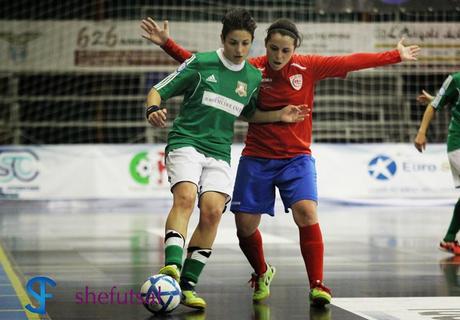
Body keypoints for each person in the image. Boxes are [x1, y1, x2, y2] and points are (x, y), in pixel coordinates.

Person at [142, 16, 420, 307]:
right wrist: (167, 45)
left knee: (306, 213)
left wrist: (395, 56)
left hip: (295, 158)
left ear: (295, 48)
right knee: (244, 227)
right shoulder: (253, 67)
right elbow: (206, 66)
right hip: (256, 157)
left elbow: (350, 61)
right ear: (265, 46)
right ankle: (261, 272)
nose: (278, 56)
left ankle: (317, 285)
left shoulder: (308, 66)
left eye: (285, 50)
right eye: (273, 48)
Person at [143, 9, 308, 310]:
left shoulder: (253, 76)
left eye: (245, 44)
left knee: (213, 213)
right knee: (186, 197)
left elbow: (250, 114)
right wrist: (153, 110)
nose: (239, 50)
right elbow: (158, 90)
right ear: (223, 40)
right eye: (233, 43)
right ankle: (171, 267)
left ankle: (187, 285)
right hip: (187, 142)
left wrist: (279, 116)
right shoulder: (201, 63)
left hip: (219, 151)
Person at [414, 73, 460, 255]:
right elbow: (435, 106)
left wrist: (436, 99)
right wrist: (421, 132)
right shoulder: (456, 79)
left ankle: (449, 239)